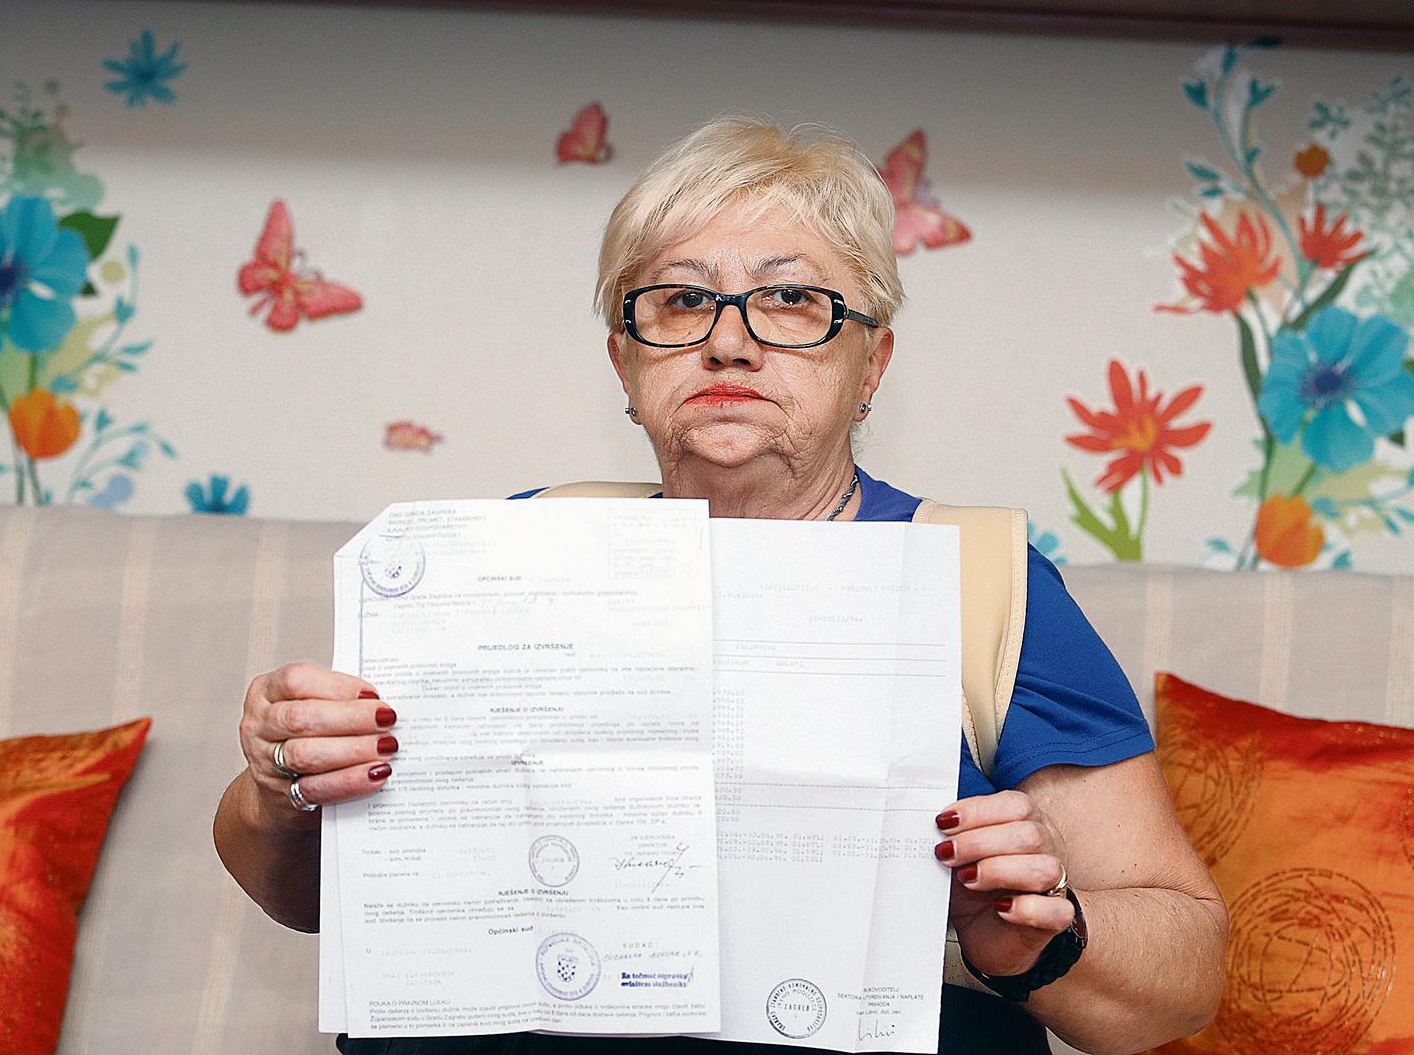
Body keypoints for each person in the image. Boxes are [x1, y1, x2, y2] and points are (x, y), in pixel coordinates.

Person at [214, 117, 1227, 1055]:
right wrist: (280, 788)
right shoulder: (510, 550)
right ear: (626, 364)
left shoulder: (982, 580)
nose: (728, 341)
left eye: (792, 300)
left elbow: (1183, 981)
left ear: (871, 364)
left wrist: (1042, 933)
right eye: (683, 300)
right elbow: (307, 897)